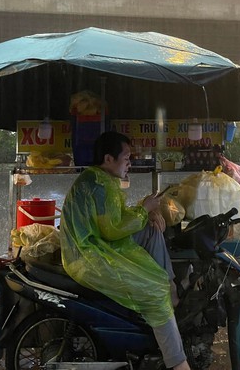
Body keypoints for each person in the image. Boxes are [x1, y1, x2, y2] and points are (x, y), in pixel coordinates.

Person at [60, 131, 190, 370]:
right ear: (109, 159)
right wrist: (144, 210)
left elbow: (114, 219)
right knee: (153, 290)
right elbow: (112, 229)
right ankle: (178, 363)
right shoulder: (98, 183)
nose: (130, 162)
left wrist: (148, 213)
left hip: (100, 244)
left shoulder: (101, 179)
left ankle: (170, 287)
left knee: (151, 232)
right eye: (127, 157)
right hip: (87, 255)